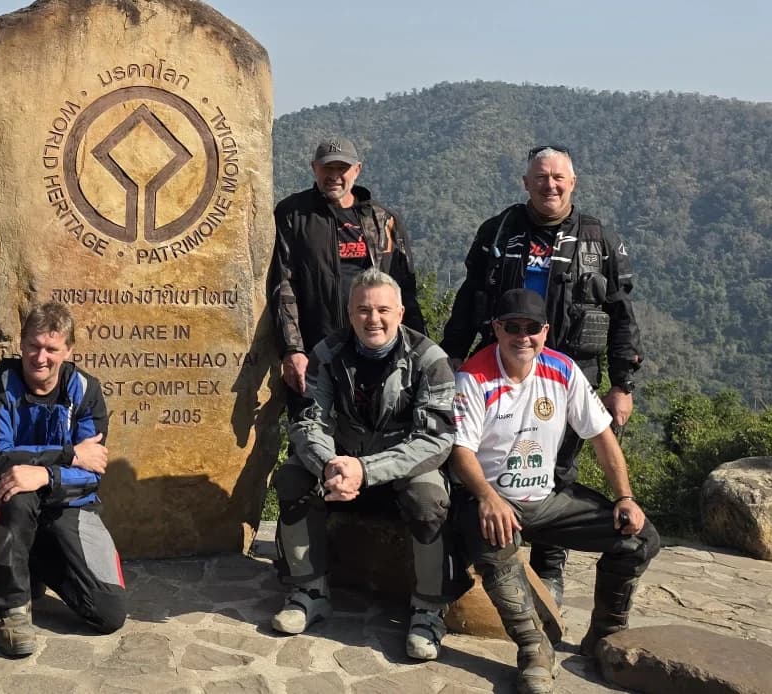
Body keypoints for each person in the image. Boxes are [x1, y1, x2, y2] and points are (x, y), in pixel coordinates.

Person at [439, 144, 643, 604]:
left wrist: (621, 384)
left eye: (558, 178)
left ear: (573, 183)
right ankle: (484, 547)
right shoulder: (499, 231)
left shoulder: (598, 239)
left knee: (560, 472)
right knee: (492, 455)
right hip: (503, 364)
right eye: (540, 177)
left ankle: (549, 565)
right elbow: (470, 293)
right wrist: (452, 352)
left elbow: (621, 312)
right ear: (525, 182)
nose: (549, 185)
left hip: (570, 370)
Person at [450, 288, 661, 693]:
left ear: (545, 331)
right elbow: (462, 451)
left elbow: (602, 438)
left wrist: (625, 498)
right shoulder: (474, 376)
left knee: (638, 538)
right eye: (512, 327)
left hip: (547, 499)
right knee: (491, 537)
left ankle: (604, 634)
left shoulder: (562, 371)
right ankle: (533, 648)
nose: (522, 337)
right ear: (497, 329)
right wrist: (488, 497)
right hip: (495, 496)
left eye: (532, 328)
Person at [268, 267, 455, 661]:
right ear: (349, 314)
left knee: (429, 501)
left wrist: (367, 470)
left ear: (401, 312)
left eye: (383, 310)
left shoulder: (429, 360)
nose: (374, 319)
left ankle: (428, 610)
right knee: (291, 478)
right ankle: (309, 590)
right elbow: (307, 421)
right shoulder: (327, 354)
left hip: (401, 468)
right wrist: (329, 464)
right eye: (363, 310)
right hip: (341, 465)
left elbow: (434, 440)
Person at [0, 301, 128, 658]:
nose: (40, 357)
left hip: (69, 500)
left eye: (51, 348)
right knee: (15, 490)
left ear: (69, 351)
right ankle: (11, 608)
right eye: (33, 345)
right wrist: (67, 454)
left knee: (108, 613)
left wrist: (44, 473)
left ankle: (30, 557)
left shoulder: (87, 391)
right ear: (21, 344)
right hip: (10, 494)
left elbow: (92, 476)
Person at [267, 137, 425, 408]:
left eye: (342, 168)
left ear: (357, 170)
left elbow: (405, 292)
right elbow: (283, 286)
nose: (334, 176)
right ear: (314, 168)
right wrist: (293, 349)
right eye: (327, 168)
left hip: (377, 355)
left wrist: (418, 352)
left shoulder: (384, 220)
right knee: (313, 439)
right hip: (317, 354)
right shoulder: (293, 215)